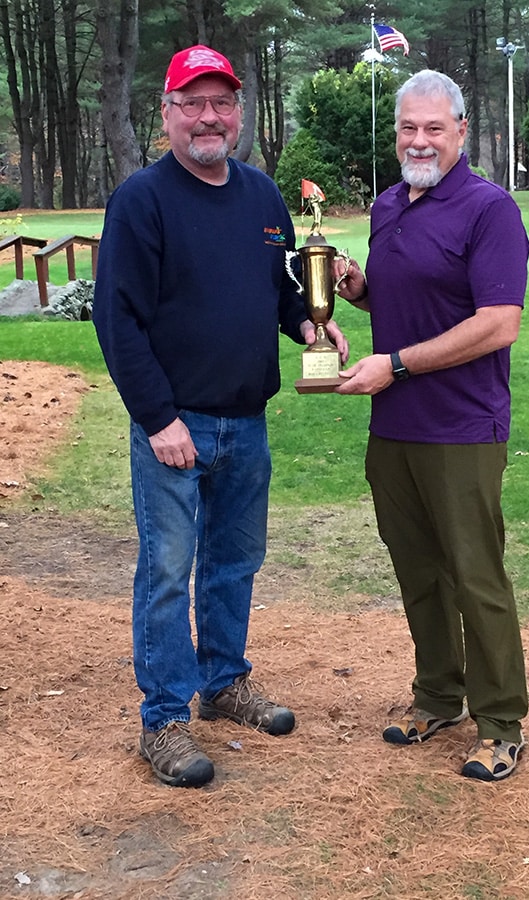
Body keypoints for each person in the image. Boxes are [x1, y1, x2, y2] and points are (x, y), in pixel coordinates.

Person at [93, 45, 348, 789]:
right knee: (168, 572)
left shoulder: (263, 198)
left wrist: (308, 325)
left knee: (235, 563)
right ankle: (164, 720)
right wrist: (158, 418)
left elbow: (278, 293)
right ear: (167, 113)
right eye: (191, 102)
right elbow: (119, 320)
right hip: (175, 427)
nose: (209, 116)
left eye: (221, 102)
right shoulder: (143, 200)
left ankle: (223, 681)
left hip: (247, 423)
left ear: (237, 111)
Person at [335, 69, 529, 782]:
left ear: (459, 132)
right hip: (394, 427)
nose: (419, 139)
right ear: (396, 133)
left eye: (433, 128)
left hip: (460, 427)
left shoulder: (489, 209)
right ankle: (437, 696)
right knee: (417, 573)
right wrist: (357, 293)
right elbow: (404, 304)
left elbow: (497, 323)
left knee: (475, 577)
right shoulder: (389, 205)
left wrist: (398, 366)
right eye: (407, 128)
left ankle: (502, 721)